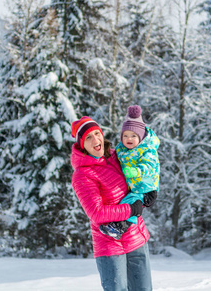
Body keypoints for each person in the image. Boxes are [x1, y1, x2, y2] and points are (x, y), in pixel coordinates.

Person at [70, 116, 153, 291]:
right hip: (110, 245)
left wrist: (149, 192)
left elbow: (139, 179)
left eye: (96, 133)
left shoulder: (119, 156)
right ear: (82, 145)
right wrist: (131, 209)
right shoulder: (83, 175)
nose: (95, 140)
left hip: (136, 238)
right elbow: (97, 213)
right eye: (88, 138)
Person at [99, 105, 160, 240]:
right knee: (127, 202)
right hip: (134, 185)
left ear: (141, 137)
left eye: (133, 135)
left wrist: (136, 171)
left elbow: (150, 166)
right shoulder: (123, 149)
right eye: (125, 135)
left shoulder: (147, 150)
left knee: (131, 203)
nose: (129, 138)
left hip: (146, 186)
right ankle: (118, 225)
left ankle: (120, 226)